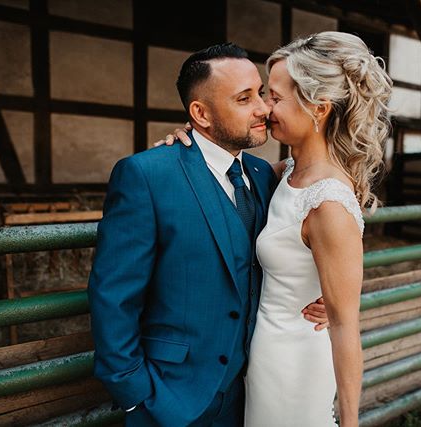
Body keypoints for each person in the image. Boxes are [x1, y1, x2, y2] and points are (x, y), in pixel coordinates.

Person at [157, 31, 392, 426]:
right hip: (261, 357)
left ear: (318, 109)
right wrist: (196, 134)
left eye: (276, 98)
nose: (265, 107)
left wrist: (350, 422)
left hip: (295, 363)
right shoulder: (281, 173)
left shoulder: (329, 203)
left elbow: (346, 326)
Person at [87, 43, 329, 427]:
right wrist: (136, 396)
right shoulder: (147, 176)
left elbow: (324, 218)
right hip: (171, 398)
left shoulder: (267, 176)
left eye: (262, 93)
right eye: (244, 98)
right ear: (200, 113)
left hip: (256, 392)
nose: (263, 109)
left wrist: (328, 294)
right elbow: (113, 297)